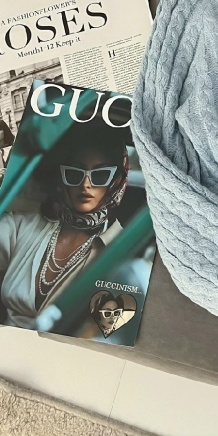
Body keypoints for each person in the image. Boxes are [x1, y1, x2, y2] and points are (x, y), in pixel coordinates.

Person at [0, 120, 129, 328]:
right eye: (74, 173)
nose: (85, 184)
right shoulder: (20, 226)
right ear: (62, 177)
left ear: (116, 181)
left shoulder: (123, 249)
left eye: (101, 174)